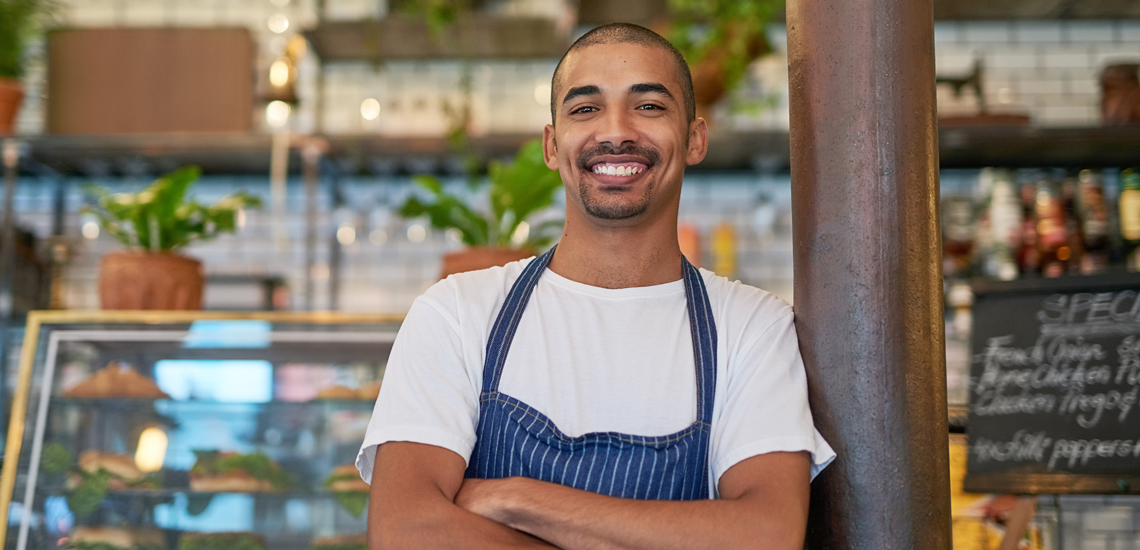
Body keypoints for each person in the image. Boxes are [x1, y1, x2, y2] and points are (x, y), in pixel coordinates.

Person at [356, 22, 834, 549]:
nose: (616, 131)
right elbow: (405, 532)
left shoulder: (752, 327)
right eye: (585, 109)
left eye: (649, 106)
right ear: (551, 145)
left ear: (695, 139)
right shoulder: (457, 313)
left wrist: (519, 500)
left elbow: (765, 536)